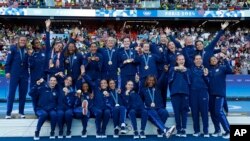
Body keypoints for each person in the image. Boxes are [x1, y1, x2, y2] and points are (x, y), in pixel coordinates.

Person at [29, 76, 62, 140]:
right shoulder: (42, 88)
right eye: (51, 80)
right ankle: (37, 132)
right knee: (44, 114)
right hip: (40, 109)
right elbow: (30, 93)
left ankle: (52, 132)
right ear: (49, 81)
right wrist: (36, 84)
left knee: (54, 114)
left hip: (51, 110)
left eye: (54, 80)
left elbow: (58, 102)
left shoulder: (57, 91)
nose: (53, 82)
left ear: (56, 82)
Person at [82, 66, 111, 138]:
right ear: (100, 85)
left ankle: (103, 129)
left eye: (105, 83)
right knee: (99, 112)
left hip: (104, 108)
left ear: (107, 84)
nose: (103, 84)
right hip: (95, 108)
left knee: (107, 112)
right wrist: (83, 74)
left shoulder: (110, 92)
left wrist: (108, 96)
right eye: (102, 83)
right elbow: (89, 81)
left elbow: (110, 103)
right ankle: (98, 130)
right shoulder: (96, 88)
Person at [208, 55, 233, 139]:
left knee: (218, 111)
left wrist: (226, 59)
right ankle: (217, 130)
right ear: (210, 62)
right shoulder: (209, 70)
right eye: (212, 59)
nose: (213, 60)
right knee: (213, 112)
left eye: (214, 59)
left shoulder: (222, 68)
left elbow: (230, 71)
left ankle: (228, 130)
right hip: (211, 94)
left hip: (220, 94)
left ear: (217, 60)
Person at [5, 35, 29, 119]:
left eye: (24, 40)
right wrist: (7, 71)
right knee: (11, 94)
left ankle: (21, 112)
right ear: (18, 40)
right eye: (21, 40)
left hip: (24, 75)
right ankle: (8, 113)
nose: (23, 41)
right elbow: (8, 61)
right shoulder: (13, 48)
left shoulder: (27, 50)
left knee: (23, 94)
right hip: (14, 74)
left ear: (26, 41)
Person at [168, 54, 190, 137]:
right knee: (176, 112)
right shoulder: (172, 69)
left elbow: (189, 81)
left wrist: (185, 71)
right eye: (180, 59)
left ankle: (183, 129)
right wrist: (175, 68)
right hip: (175, 93)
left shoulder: (188, 70)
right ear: (177, 61)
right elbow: (169, 79)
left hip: (185, 93)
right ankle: (178, 129)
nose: (181, 61)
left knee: (184, 111)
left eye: (183, 59)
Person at [190, 55, 210, 137]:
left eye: (199, 59)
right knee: (194, 113)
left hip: (203, 93)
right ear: (194, 61)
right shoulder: (190, 69)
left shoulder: (205, 69)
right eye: (196, 59)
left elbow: (209, 82)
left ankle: (206, 131)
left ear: (202, 60)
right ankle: (196, 131)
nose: (198, 60)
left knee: (204, 113)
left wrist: (205, 76)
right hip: (193, 93)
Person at [28, 38, 46, 113]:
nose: (38, 44)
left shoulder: (44, 53)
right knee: (34, 96)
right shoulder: (31, 54)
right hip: (34, 79)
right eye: (36, 43)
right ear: (33, 45)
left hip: (43, 79)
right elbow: (30, 65)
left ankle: (42, 111)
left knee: (43, 97)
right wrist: (31, 56)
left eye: (39, 42)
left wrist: (44, 77)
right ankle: (36, 112)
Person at [44, 19, 65, 85]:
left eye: (61, 47)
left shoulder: (61, 54)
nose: (59, 47)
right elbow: (47, 40)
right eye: (58, 45)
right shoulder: (48, 51)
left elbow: (62, 66)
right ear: (55, 45)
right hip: (49, 74)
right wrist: (47, 28)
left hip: (58, 75)